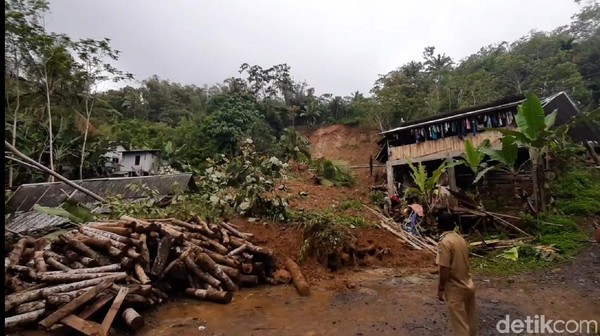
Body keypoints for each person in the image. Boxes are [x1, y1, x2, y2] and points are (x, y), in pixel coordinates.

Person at [436, 212, 477, 336]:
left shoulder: (445, 242)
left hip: (455, 288)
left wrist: (441, 288)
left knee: (460, 325)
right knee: (470, 322)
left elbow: (444, 268)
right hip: (468, 284)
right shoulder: (460, 239)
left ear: (439, 225)